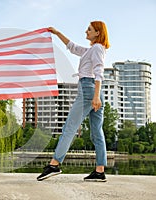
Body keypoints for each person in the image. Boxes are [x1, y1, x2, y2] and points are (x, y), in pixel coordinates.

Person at [37, 21, 110, 182]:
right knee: (97, 132)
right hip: (94, 91)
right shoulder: (91, 50)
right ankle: (99, 171)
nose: (86, 31)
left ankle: (54, 164)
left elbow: (99, 71)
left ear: (98, 33)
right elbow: (72, 47)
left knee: (69, 127)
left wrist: (95, 96)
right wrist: (56, 32)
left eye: (89, 29)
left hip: (89, 91)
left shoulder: (97, 48)